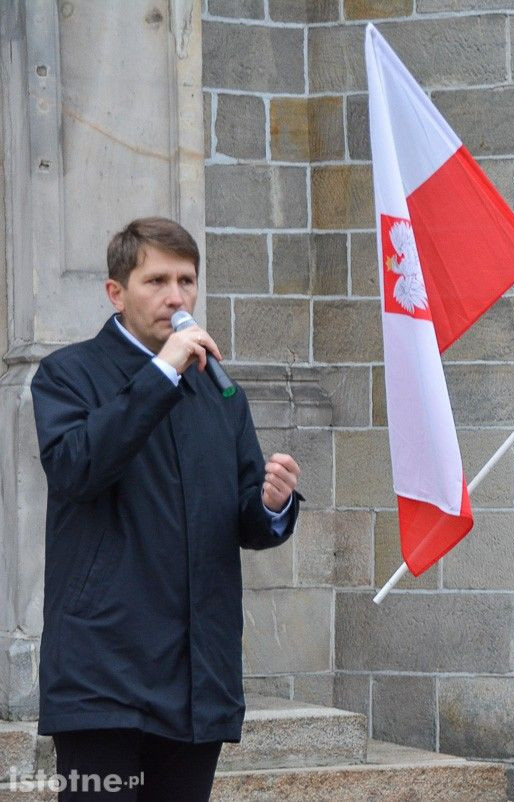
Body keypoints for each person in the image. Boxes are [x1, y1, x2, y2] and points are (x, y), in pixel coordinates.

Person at [31, 218, 302, 800]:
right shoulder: (67, 374)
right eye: (156, 281)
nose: (176, 298)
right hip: (103, 676)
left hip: (195, 676)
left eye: (186, 281)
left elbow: (245, 519)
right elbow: (76, 468)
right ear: (116, 292)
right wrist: (161, 373)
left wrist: (272, 504)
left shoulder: (220, 393)